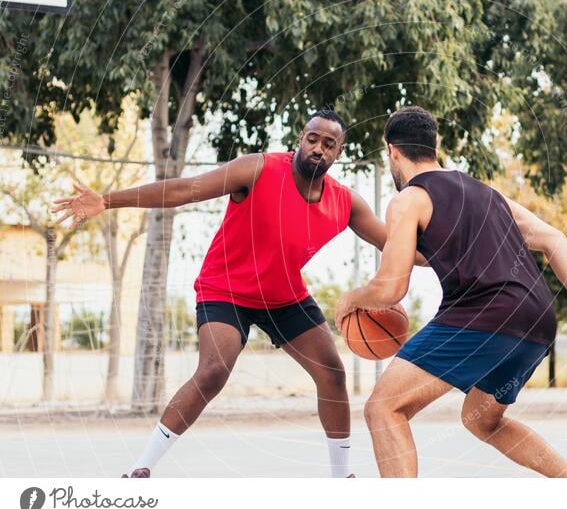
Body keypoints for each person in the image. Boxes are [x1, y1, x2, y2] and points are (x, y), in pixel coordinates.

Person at [53, 110, 388, 478]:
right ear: (300, 138)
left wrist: (450, 250)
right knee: (214, 369)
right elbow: (184, 189)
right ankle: (140, 470)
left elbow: (397, 244)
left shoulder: (344, 202)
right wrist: (108, 200)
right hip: (225, 288)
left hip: (283, 295)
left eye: (329, 144)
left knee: (332, 373)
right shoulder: (257, 169)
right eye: (313, 138)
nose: (318, 148)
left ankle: (341, 479)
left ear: (338, 152)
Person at [335, 106, 567, 478]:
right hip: (536, 320)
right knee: (481, 420)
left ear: (393, 151)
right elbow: (553, 238)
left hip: (484, 315)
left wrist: (350, 301)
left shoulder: (408, 199)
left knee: (384, 407)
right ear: (434, 147)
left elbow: (391, 288)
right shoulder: (488, 194)